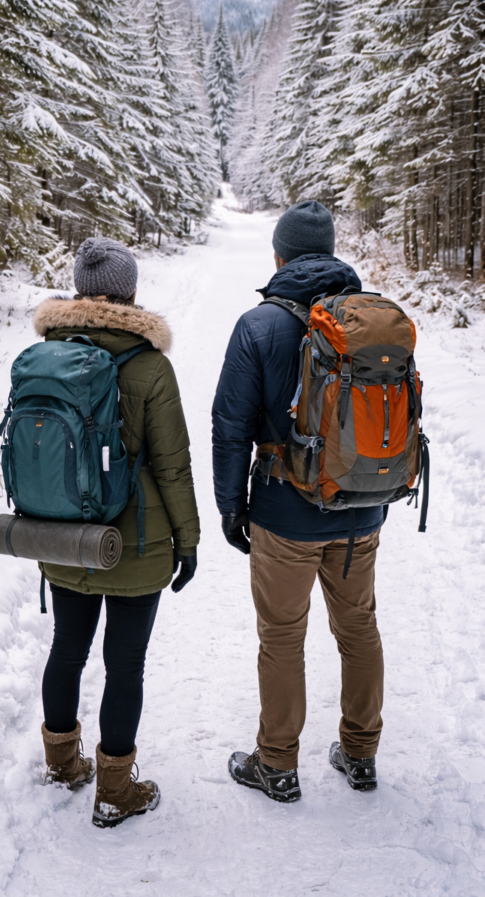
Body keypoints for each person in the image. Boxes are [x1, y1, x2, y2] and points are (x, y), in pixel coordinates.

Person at [212, 200, 385, 803]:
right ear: (333, 251)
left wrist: (232, 508)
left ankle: (277, 765)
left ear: (279, 255)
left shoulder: (258, 326)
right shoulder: (370, 320)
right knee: (358, 626)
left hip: (285, 514)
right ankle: (361, 754)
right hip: (360, 507)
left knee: (282, 638)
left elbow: (230, 425)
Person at [34, 236, 200, 828]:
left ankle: (60, 762)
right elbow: (172, 463)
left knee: (67, 651)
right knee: (125, 664)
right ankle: (115, 789)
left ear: (80, 290)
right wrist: (189, 540)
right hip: (135, 539)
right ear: (130, 292)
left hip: (60, 533)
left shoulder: (45, 354)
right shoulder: (151, 365)